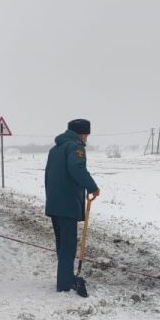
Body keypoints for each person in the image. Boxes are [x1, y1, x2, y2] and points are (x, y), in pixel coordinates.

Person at [44, 119, 101, 296]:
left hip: (54, 203)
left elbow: (48, 175)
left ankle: (65, 276)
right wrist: (92, 187)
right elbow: (77, 169)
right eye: (86, 135)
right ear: (80, 134)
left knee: (62, 244)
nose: (86, 139)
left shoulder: (55, 149)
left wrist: (51, 198)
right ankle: (65, 283)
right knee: (68, 246)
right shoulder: (75, 147)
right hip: (67, 204)